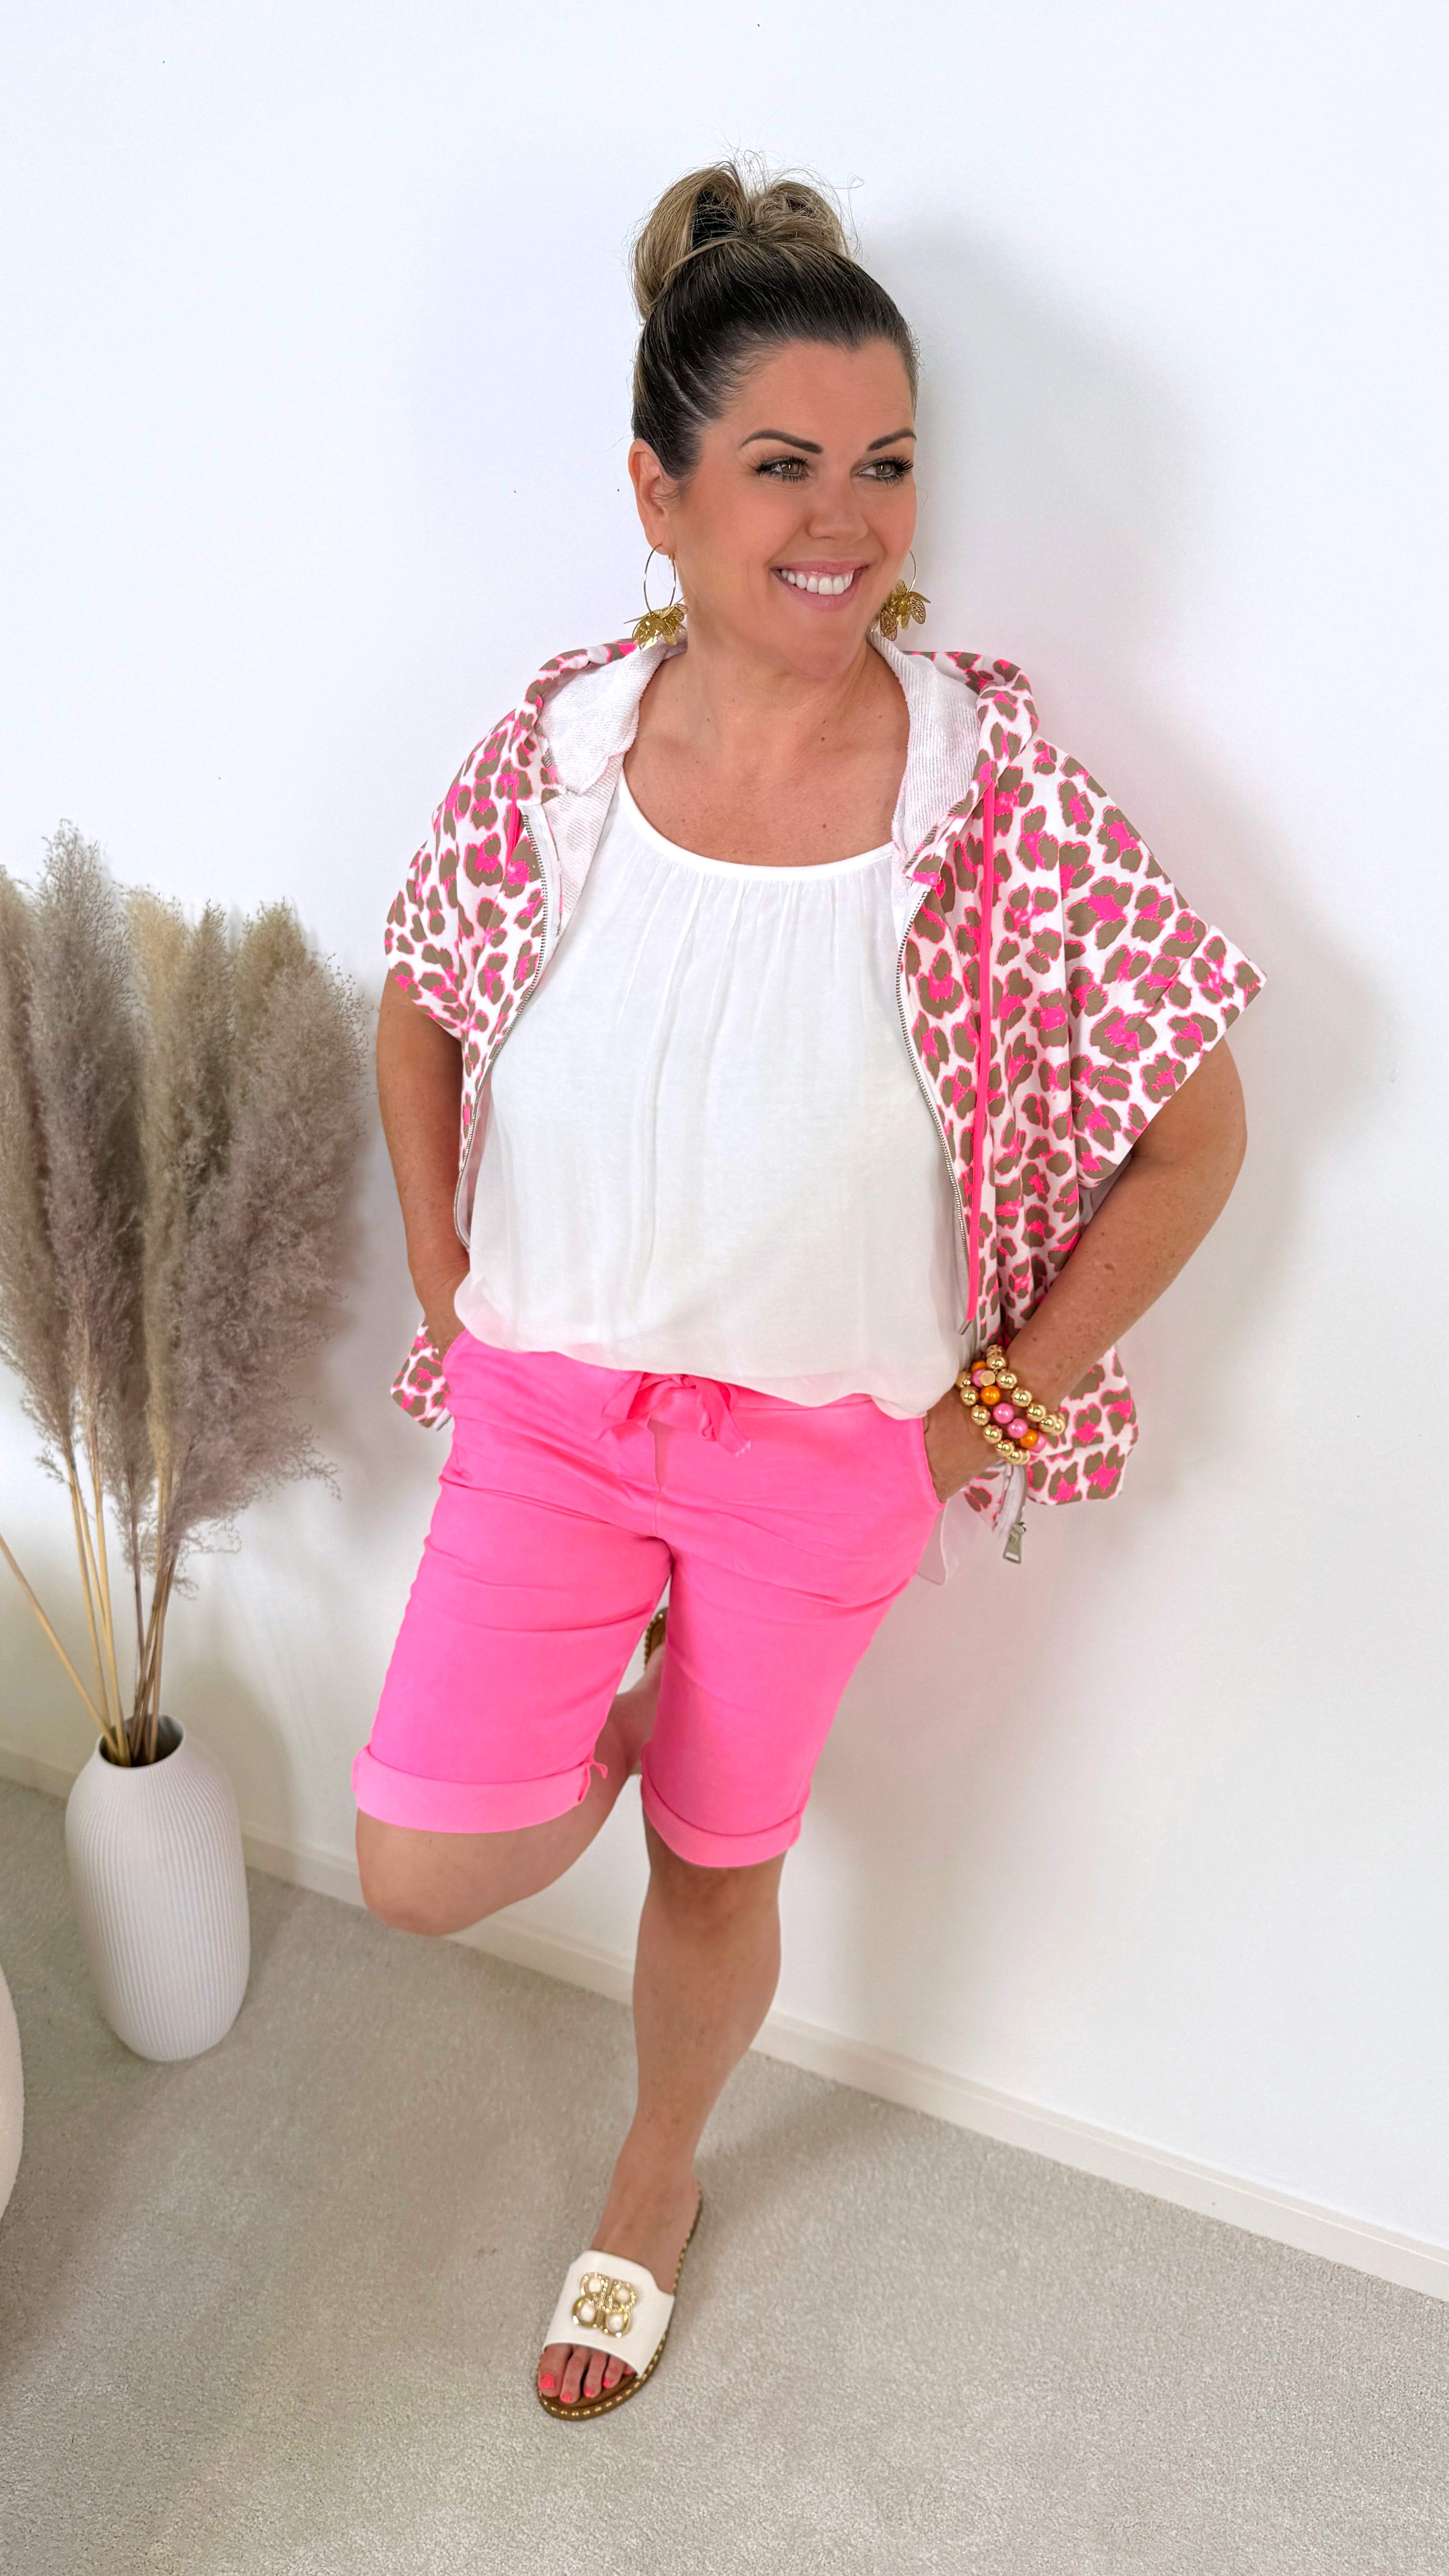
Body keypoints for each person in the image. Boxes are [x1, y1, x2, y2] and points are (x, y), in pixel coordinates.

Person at [351, 161, 1264, 2420]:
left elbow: (1198, 1133)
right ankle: (645, 1712)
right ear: (656, 494)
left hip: (826, 1464)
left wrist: (981, 1423)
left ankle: (654, 2174)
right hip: (554, 1413)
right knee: (420, 1867)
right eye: (782, 466)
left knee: (716, 1865)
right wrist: (448, 1275)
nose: (845, 520)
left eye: (885, 462)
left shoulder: (994, 793)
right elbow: (421, 999)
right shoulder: (563, 751)